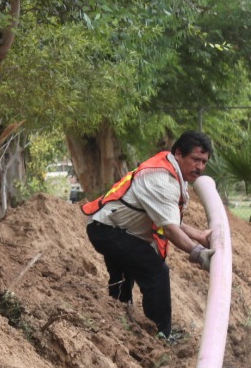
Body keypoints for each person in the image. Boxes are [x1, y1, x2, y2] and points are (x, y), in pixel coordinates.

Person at [83, 131, 214, 342]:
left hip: (111, 228)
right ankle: (161, 335)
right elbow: (170, 229)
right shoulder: (161, 179)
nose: (199, 167)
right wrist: (199, 254)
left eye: (204, 162)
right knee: (156, 272)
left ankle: (120, 326)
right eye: (195, 159)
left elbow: (167, 217)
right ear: (179, 153)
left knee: (123, 279)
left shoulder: (170, 172)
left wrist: (199, 235)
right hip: (108, 230)